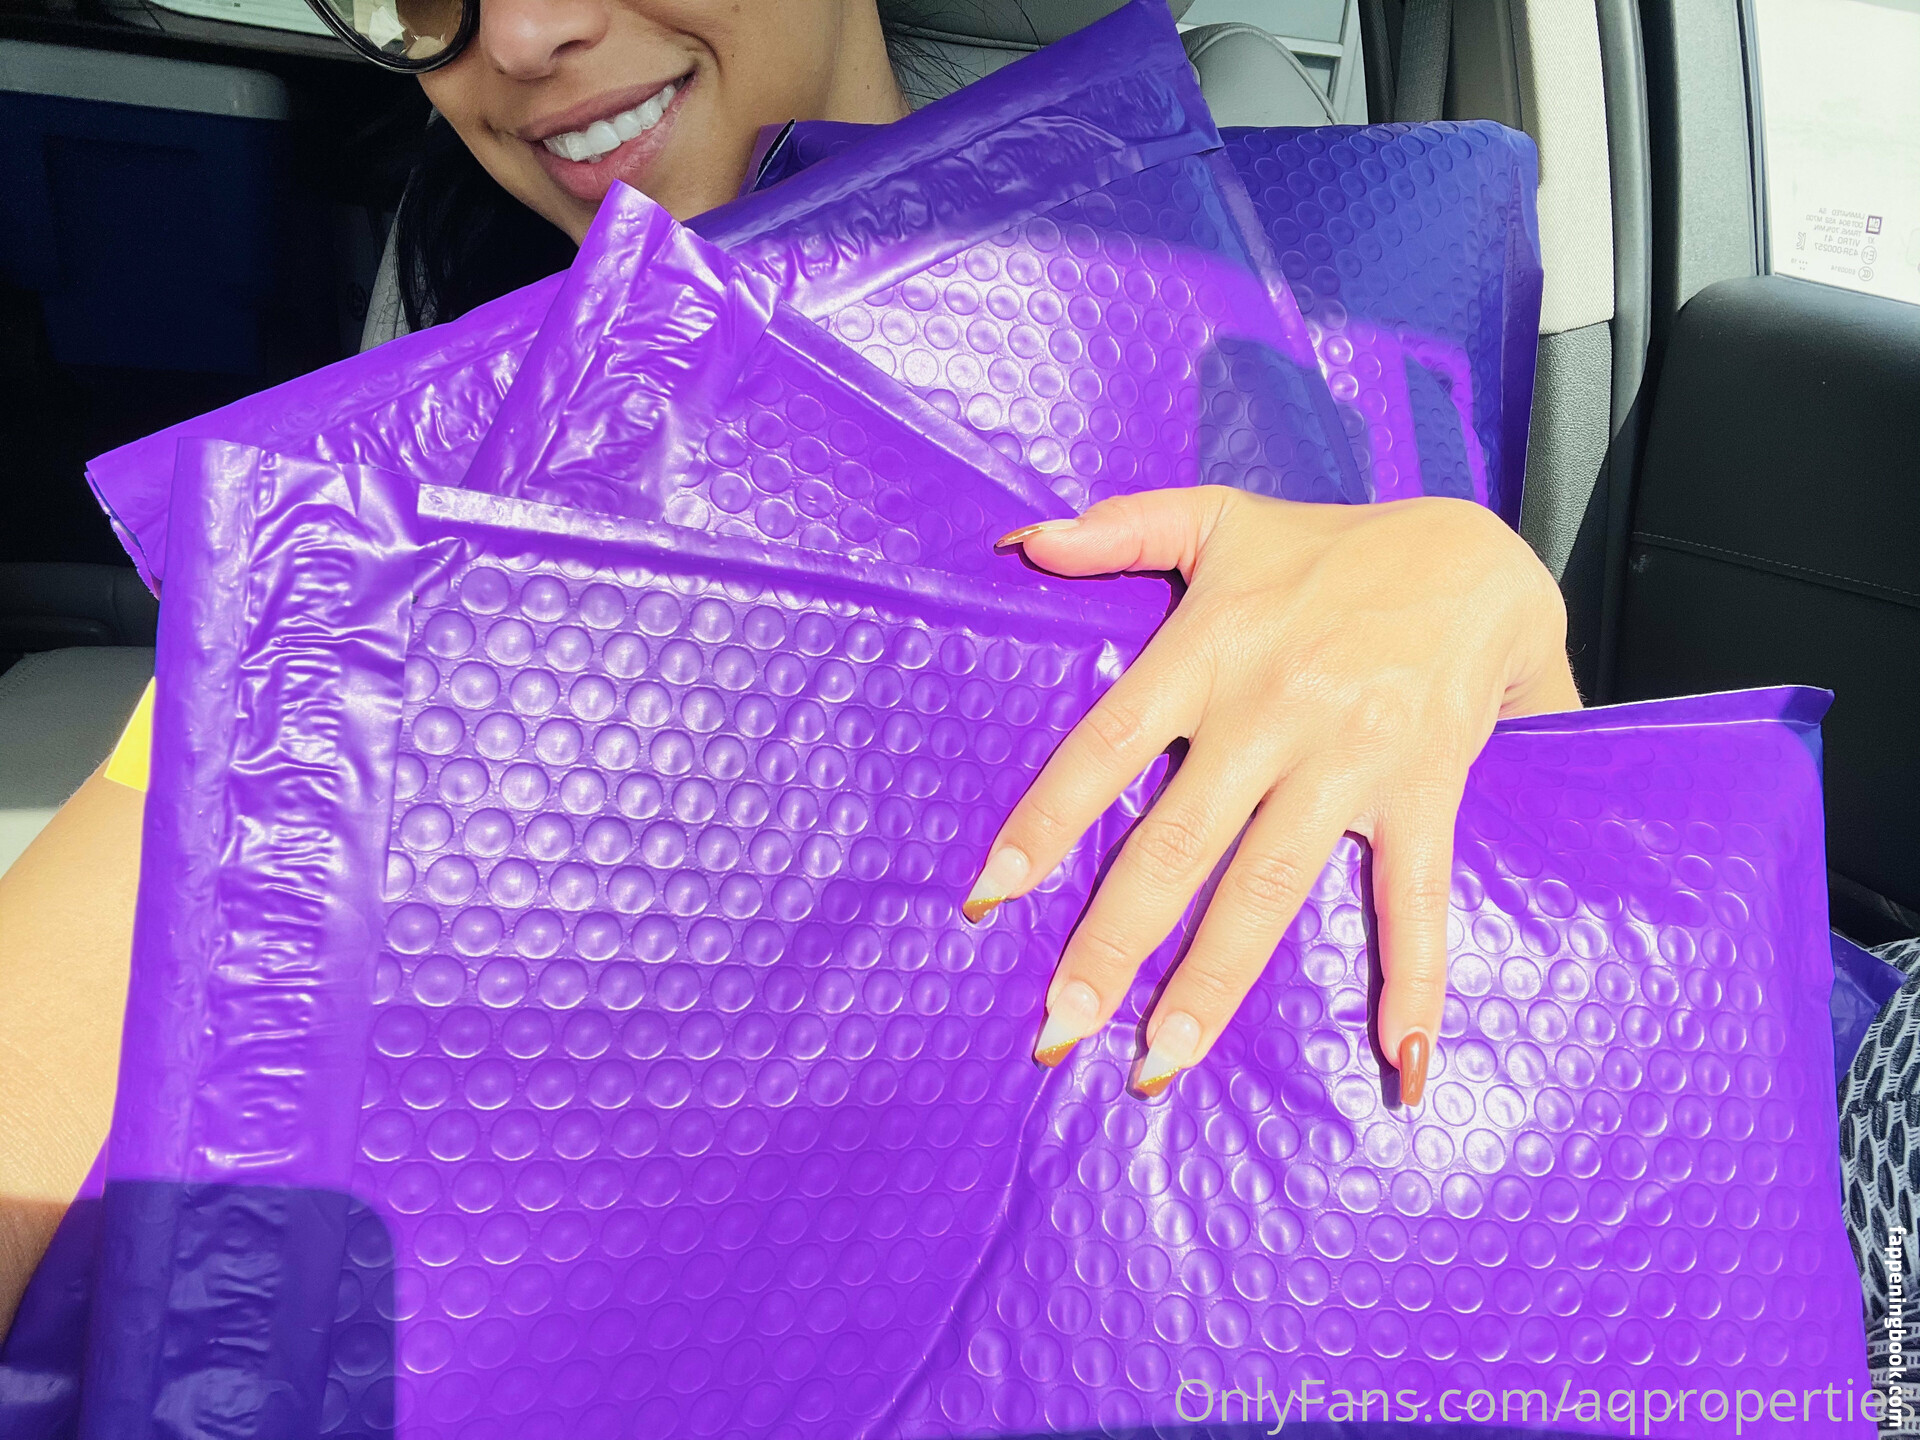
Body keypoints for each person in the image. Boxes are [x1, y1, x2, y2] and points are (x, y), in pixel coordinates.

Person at [0, 0, 1580, 1331]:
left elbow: (1541, 1032)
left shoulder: (1264, 361)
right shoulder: (399, 521)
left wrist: (1476, 611)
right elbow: (68, 1020)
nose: (522, 36)